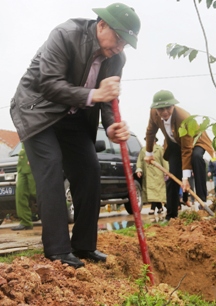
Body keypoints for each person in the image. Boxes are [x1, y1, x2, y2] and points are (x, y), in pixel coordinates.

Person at [10, 3, 141, 268]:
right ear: (101, 24)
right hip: (37, 110)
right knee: (50, 165)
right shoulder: (66, 34)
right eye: (118, 39)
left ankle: (84, 246)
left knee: (89, 170)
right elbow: (48, 83)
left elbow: (108, 100)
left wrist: (114, 126)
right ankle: (57, 250)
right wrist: (94, 95)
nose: (119, 47)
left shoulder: (116, 58)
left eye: (125, 44)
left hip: (72, 116)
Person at [144, 90, 214, 221]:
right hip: (174, 144)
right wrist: (149, 154)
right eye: (160, 109)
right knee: (172, 175)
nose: (164, 112)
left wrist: (186, 178)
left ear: (173, 106)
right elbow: (150, 132)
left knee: (196, 157)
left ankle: (202, 202)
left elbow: (187, 149)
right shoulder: (153, 113)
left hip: (195, 140)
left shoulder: (183, 118)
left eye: (168, 108)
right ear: (155, 108)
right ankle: (171, 215)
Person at [136, 137, 168, 215]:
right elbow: (140, 161)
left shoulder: (159, 149)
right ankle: (160, 207)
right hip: (148, 175)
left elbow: (164, 161)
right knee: (152, 192)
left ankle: (152, 208)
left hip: (157, 174)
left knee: (155, 191)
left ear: (154, 140)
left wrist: (166, 171)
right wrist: (139, 169)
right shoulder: (143, 150)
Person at [11, 144, 36, 231]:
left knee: (37, 193)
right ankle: (25, 222)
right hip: (22, 166)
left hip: (33, 165)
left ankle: (65, 205)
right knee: (20, 195)